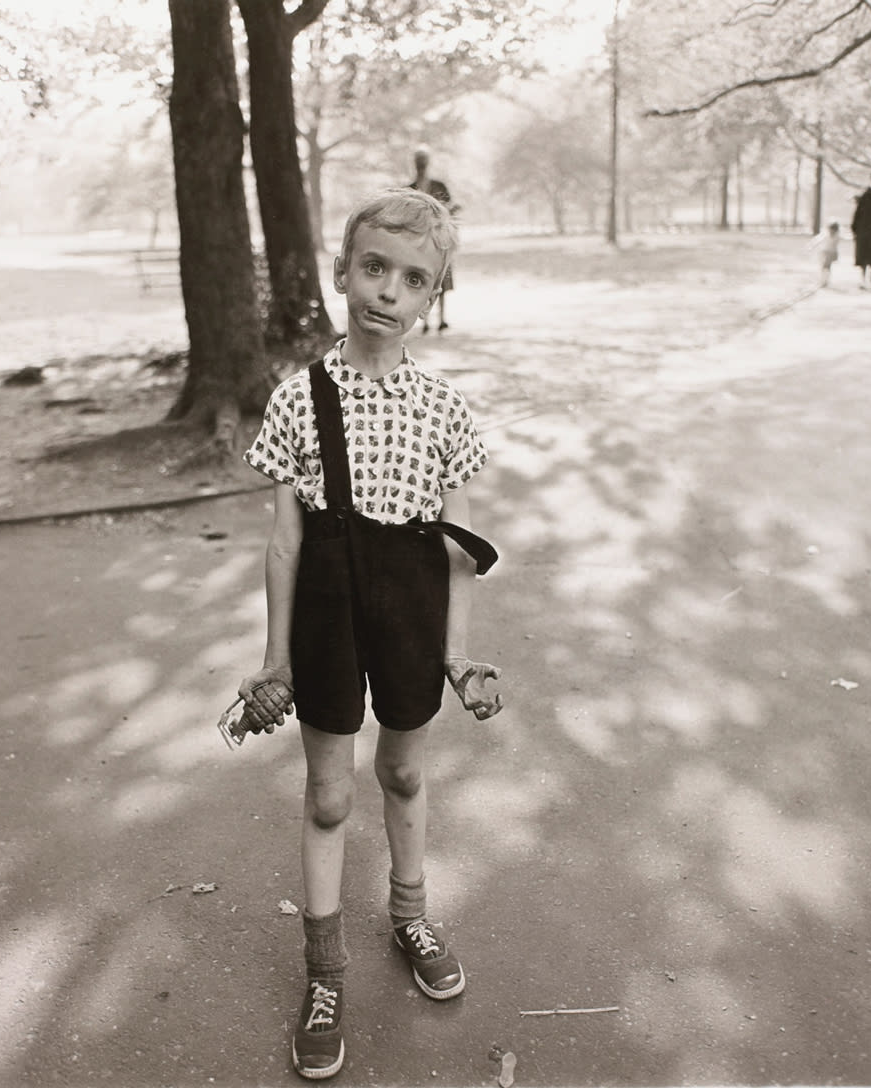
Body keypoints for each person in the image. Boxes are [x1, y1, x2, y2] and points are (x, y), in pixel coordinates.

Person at [237, 187, 503, 1081]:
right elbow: (284, 543)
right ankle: (323, 974)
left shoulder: (445, 412)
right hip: (324, 613)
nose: (388, 290)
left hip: (411, 611)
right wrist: (274, 658)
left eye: (413, 279)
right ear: (342, 271)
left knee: (402, 771)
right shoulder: (297, 398)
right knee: (328, 797)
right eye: (374, 268)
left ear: (435, 297)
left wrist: (458, 656)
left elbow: (462, 551)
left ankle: (410, 913)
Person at [408, 148, 460, 333]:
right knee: (422, 281)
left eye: (423, 161)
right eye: (418, 161)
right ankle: (425, 321)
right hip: (419, 244)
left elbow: (451, 209)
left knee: (441, 280)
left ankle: (442, 319)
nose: (420, 165)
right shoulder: (410, 189)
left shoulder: (439, 186)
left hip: (440, 241)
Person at [809, 219, 841, 287]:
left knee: (826, 267)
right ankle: (824, 280)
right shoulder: (826, 235)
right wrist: (811, 245)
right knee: (825, 267)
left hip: (830, 253)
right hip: (825, 252)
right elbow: (817, 240)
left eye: (833, 229)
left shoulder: (836, 236)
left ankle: (824, 280)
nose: (832, 231)